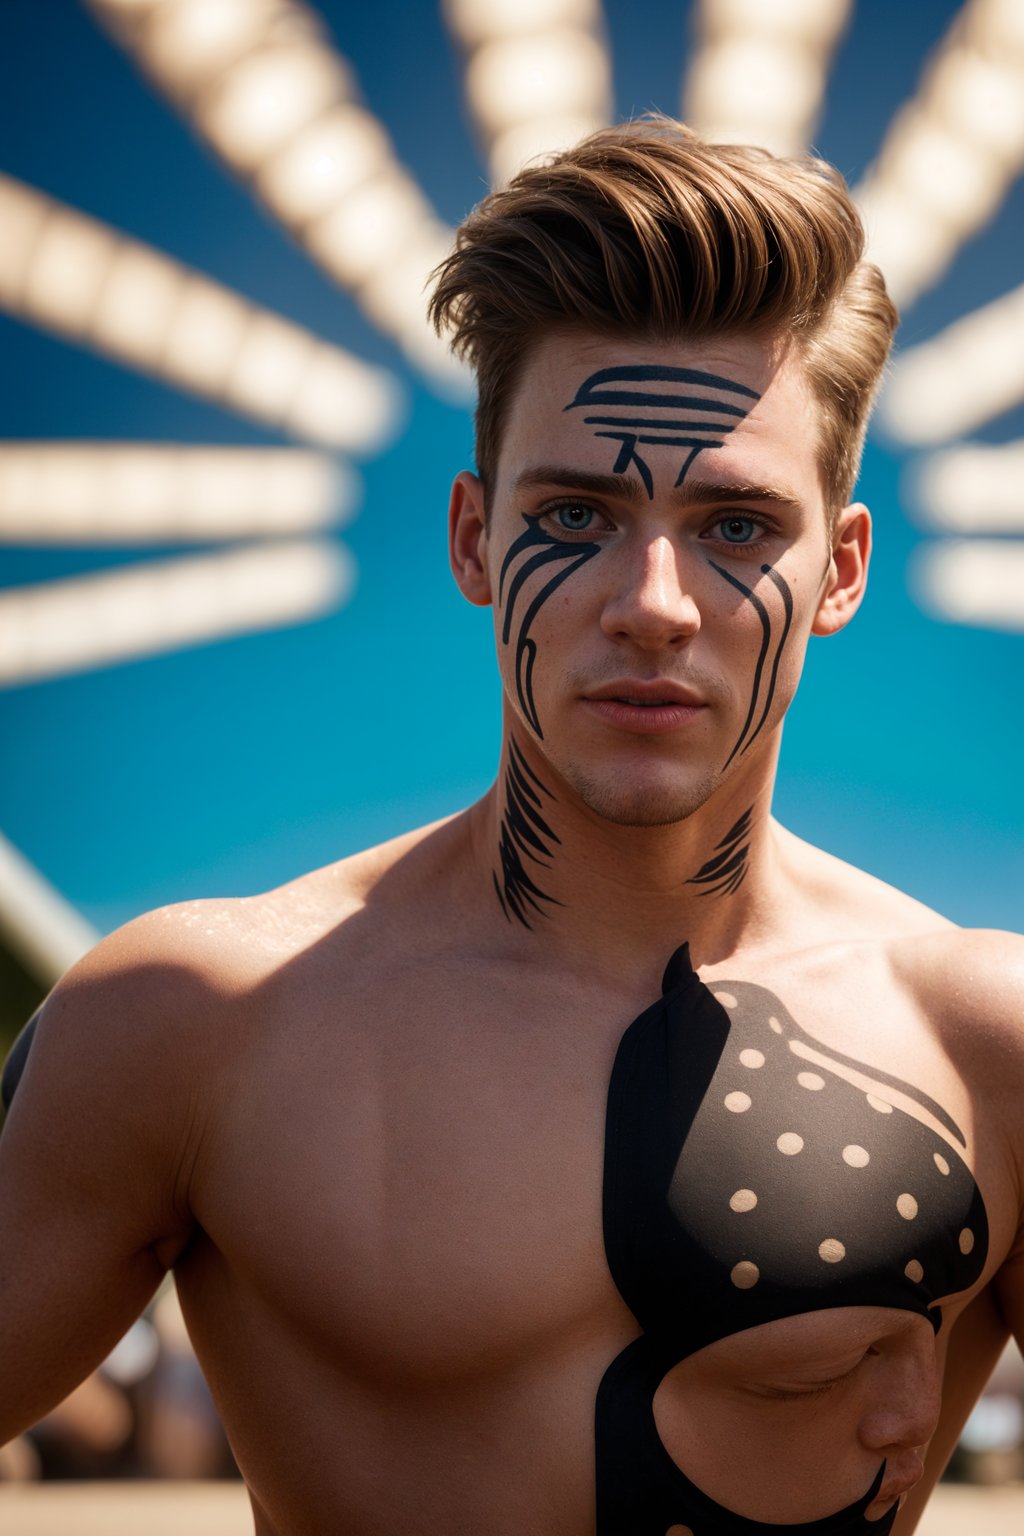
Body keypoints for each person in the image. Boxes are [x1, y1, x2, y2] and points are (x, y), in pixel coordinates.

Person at [1, 117, 1022, 1536]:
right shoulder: (196, 1023)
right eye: (581, 512)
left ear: (840, 566)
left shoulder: (988, 1048)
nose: (653, 600)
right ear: (476, 537)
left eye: (735, 527)